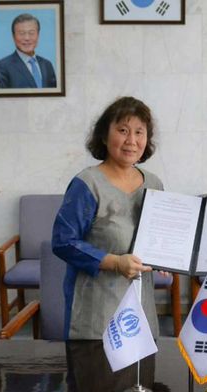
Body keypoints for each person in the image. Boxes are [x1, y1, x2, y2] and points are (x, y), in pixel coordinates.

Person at [52, 96, 164, 340]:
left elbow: (160, 236)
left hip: (140, 305)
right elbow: (63, 241)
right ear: (104, 135)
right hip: (96, 309)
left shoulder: (154, 184)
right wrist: (114, 262)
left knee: (141, 374)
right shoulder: (87, 184)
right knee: (96, 374)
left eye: (139, 132)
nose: (132, 141)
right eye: (122, 130)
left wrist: (169, 258)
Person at [0, 13, 57, 89]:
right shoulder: (0, 67)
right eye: (21, 33)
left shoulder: (47, 65)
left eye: (31, 33)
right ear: (13, 37)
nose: (27, 38)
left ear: (38, 35)